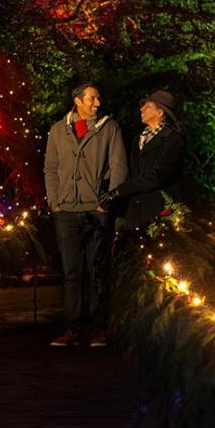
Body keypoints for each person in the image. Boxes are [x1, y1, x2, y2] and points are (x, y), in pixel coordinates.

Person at [44, 82, 128, 347]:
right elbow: (51, 168)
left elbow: (118, 167)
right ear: (78, 101)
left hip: (96, 211)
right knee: (71, 273)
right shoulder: (58, 130)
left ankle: (99, 329)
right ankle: (72, 329)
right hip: (66, 211)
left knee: (97, 270)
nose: (97, 103)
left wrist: (107, 202)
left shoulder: (109, 128)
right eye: (92, 98)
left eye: (98, 98)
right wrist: (55, 202)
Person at [99, 90, 184, 229]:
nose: (141, 108)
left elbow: (156, 175)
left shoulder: (173, 139)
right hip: (136, 211)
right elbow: (132, 173)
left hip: (161, 210)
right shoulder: (137, 139)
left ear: (160, 112)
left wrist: (119, 190)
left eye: (148, 106)